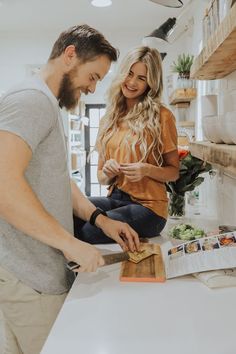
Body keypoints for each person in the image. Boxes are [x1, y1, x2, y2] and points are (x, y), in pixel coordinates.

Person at [0, 24, 140, 354]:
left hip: (35, 273)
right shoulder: (31, 100)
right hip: (29, 276)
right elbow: (3, 183)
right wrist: (70, 244)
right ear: (70, 55)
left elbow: (59, 181)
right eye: (92, 76)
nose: (93, 89)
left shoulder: (47, 105)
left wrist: (101, 220)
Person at [73, 46, 179, 244]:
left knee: (87, 231)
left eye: (141, 78)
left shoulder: (162, 116)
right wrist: (109, 171)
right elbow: (102, 178)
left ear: (151, 83)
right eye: (130, 74)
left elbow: (173, 172)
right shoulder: (109, 119)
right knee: (69, 213)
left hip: (150, 209)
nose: (131, 82)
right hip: (117, 198)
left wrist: (146, 169)